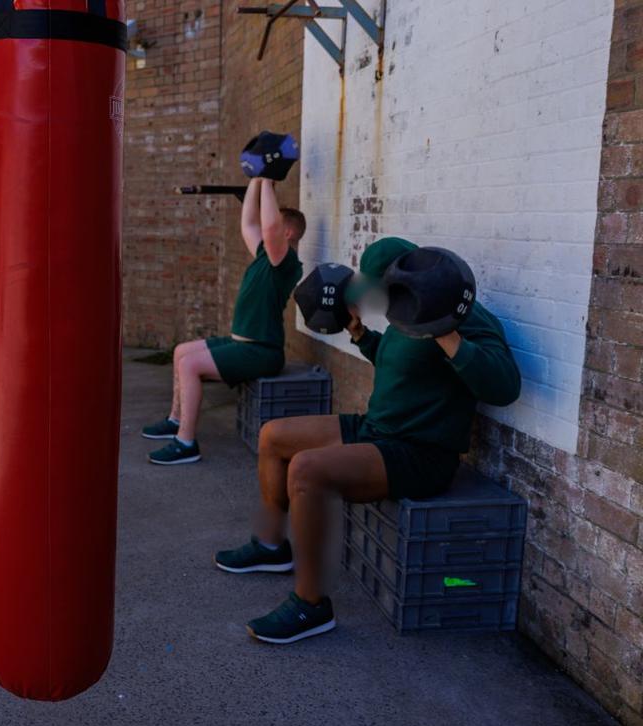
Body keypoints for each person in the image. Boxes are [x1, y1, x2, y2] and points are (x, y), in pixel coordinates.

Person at [213, 237, 522, 643]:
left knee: (307, 469)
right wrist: (361, 335)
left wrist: (446, 332)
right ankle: (271, 546)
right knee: (274, 436)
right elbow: (399, 363)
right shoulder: (402, 311)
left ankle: (311, 605)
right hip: (378, 427)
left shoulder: (458, 315)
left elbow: (505, 387)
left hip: (420, 452)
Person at [141, 177, 306, 465]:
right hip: (241, 342)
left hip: (262, 351)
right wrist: (255, 180)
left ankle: (185, 442)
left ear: (287, 232)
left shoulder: (285, 262)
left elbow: (267, 227)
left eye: (278, 227)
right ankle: (175, 420)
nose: (269, 231)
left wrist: (269, 180)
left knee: (189, 365)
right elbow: (250, 226)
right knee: (182, 351)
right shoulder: (264, 256)